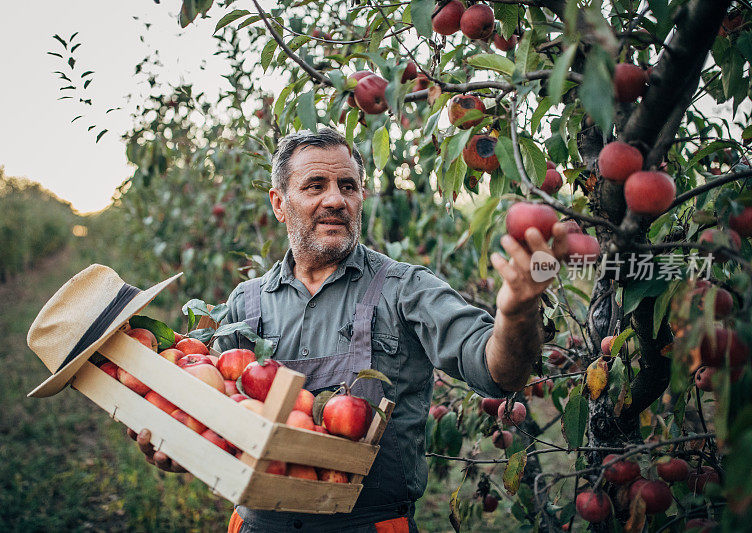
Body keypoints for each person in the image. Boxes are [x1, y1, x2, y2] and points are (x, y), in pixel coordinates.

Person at [129, 127, 569, 532]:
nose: (336, 200)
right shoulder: (246, 302)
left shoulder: (405, 289)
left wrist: (516, 313)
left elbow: (498, 371)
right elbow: (212, 415)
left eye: (348, 187)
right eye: (315, 186)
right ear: (279, 203)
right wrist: (181, 448)